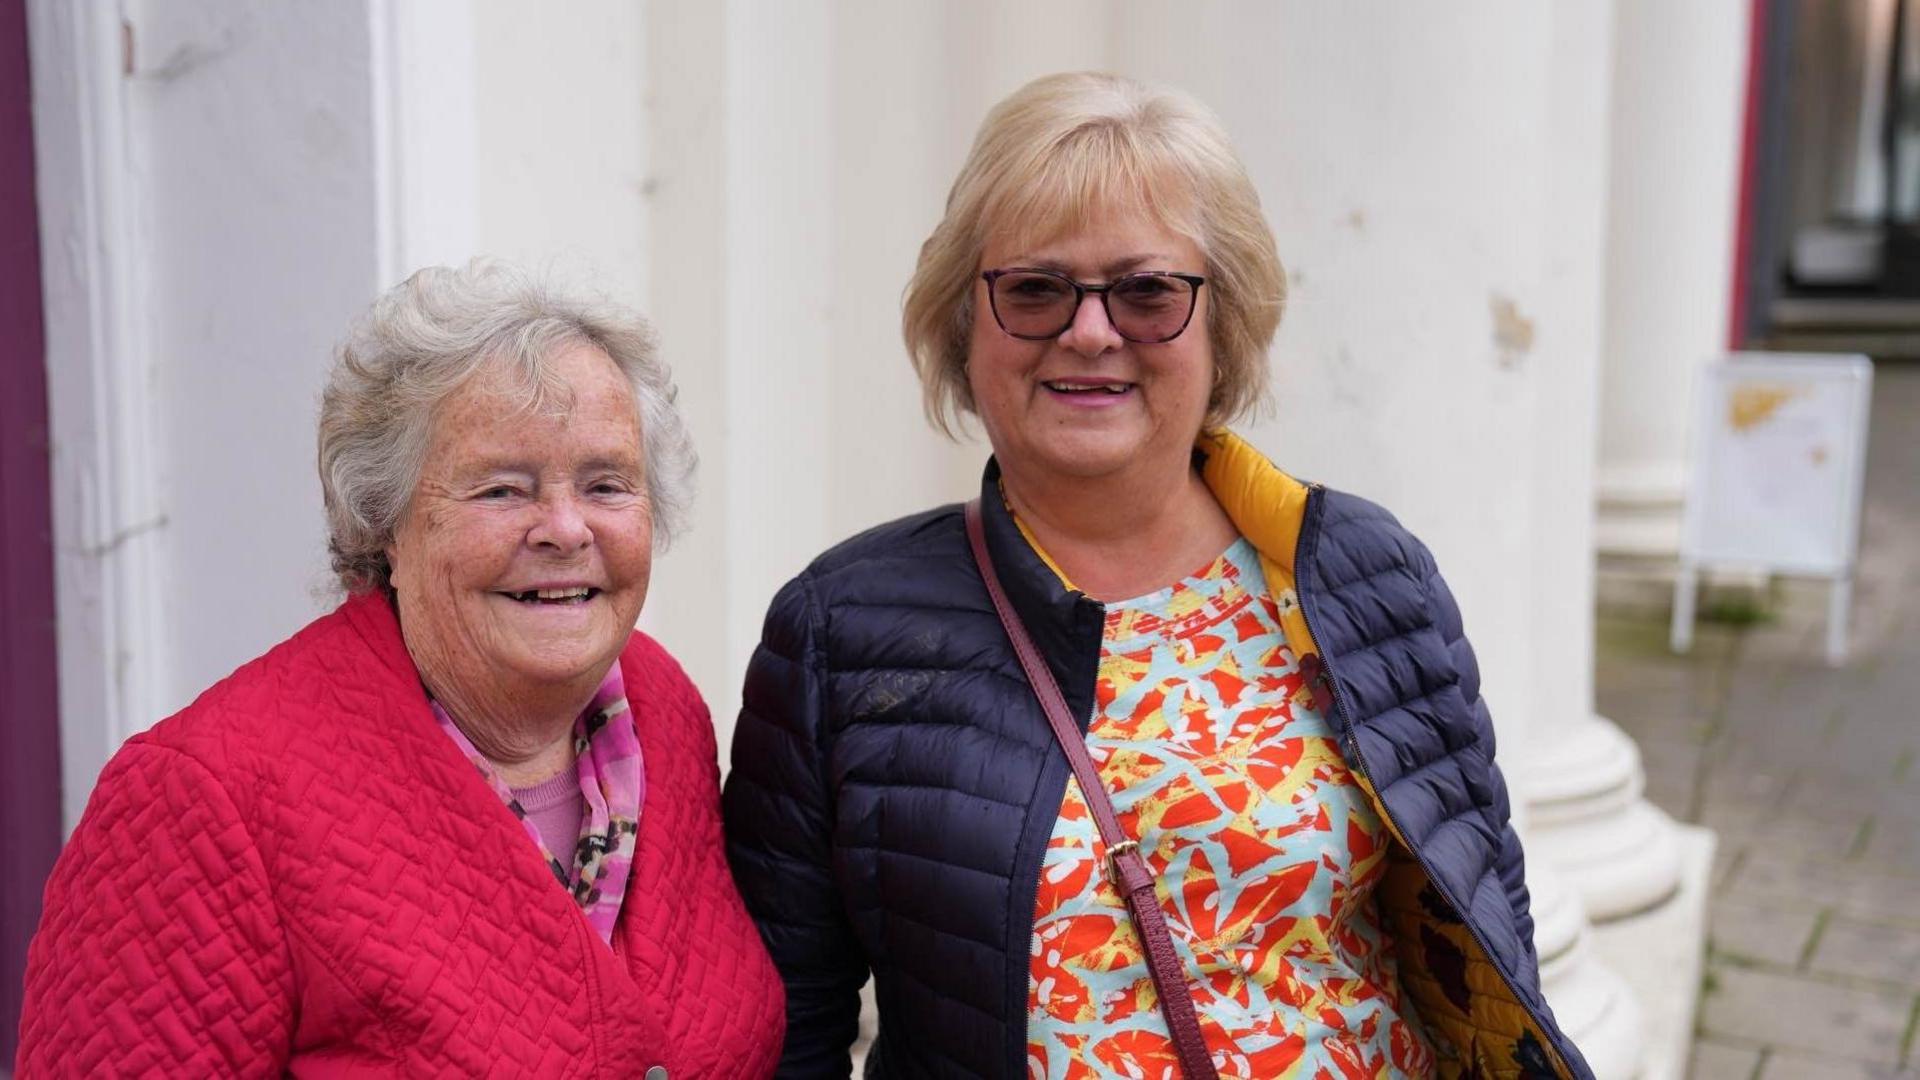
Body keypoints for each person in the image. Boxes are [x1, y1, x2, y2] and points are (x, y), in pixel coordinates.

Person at [723, 73, 1591, 1079]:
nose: (1091, 332)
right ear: (966, 321)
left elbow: (1484, 926)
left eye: (1146, 292)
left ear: (1224, 325)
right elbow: (786, 1023)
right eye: (1036, 288)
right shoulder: (843, 630)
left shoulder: (1361, 575)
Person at [18, 264, 784, 1077]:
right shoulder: (201, 799)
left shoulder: (660, 711)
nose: (565, 527)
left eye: (605, 484)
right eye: (500, 489)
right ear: (383, 523)